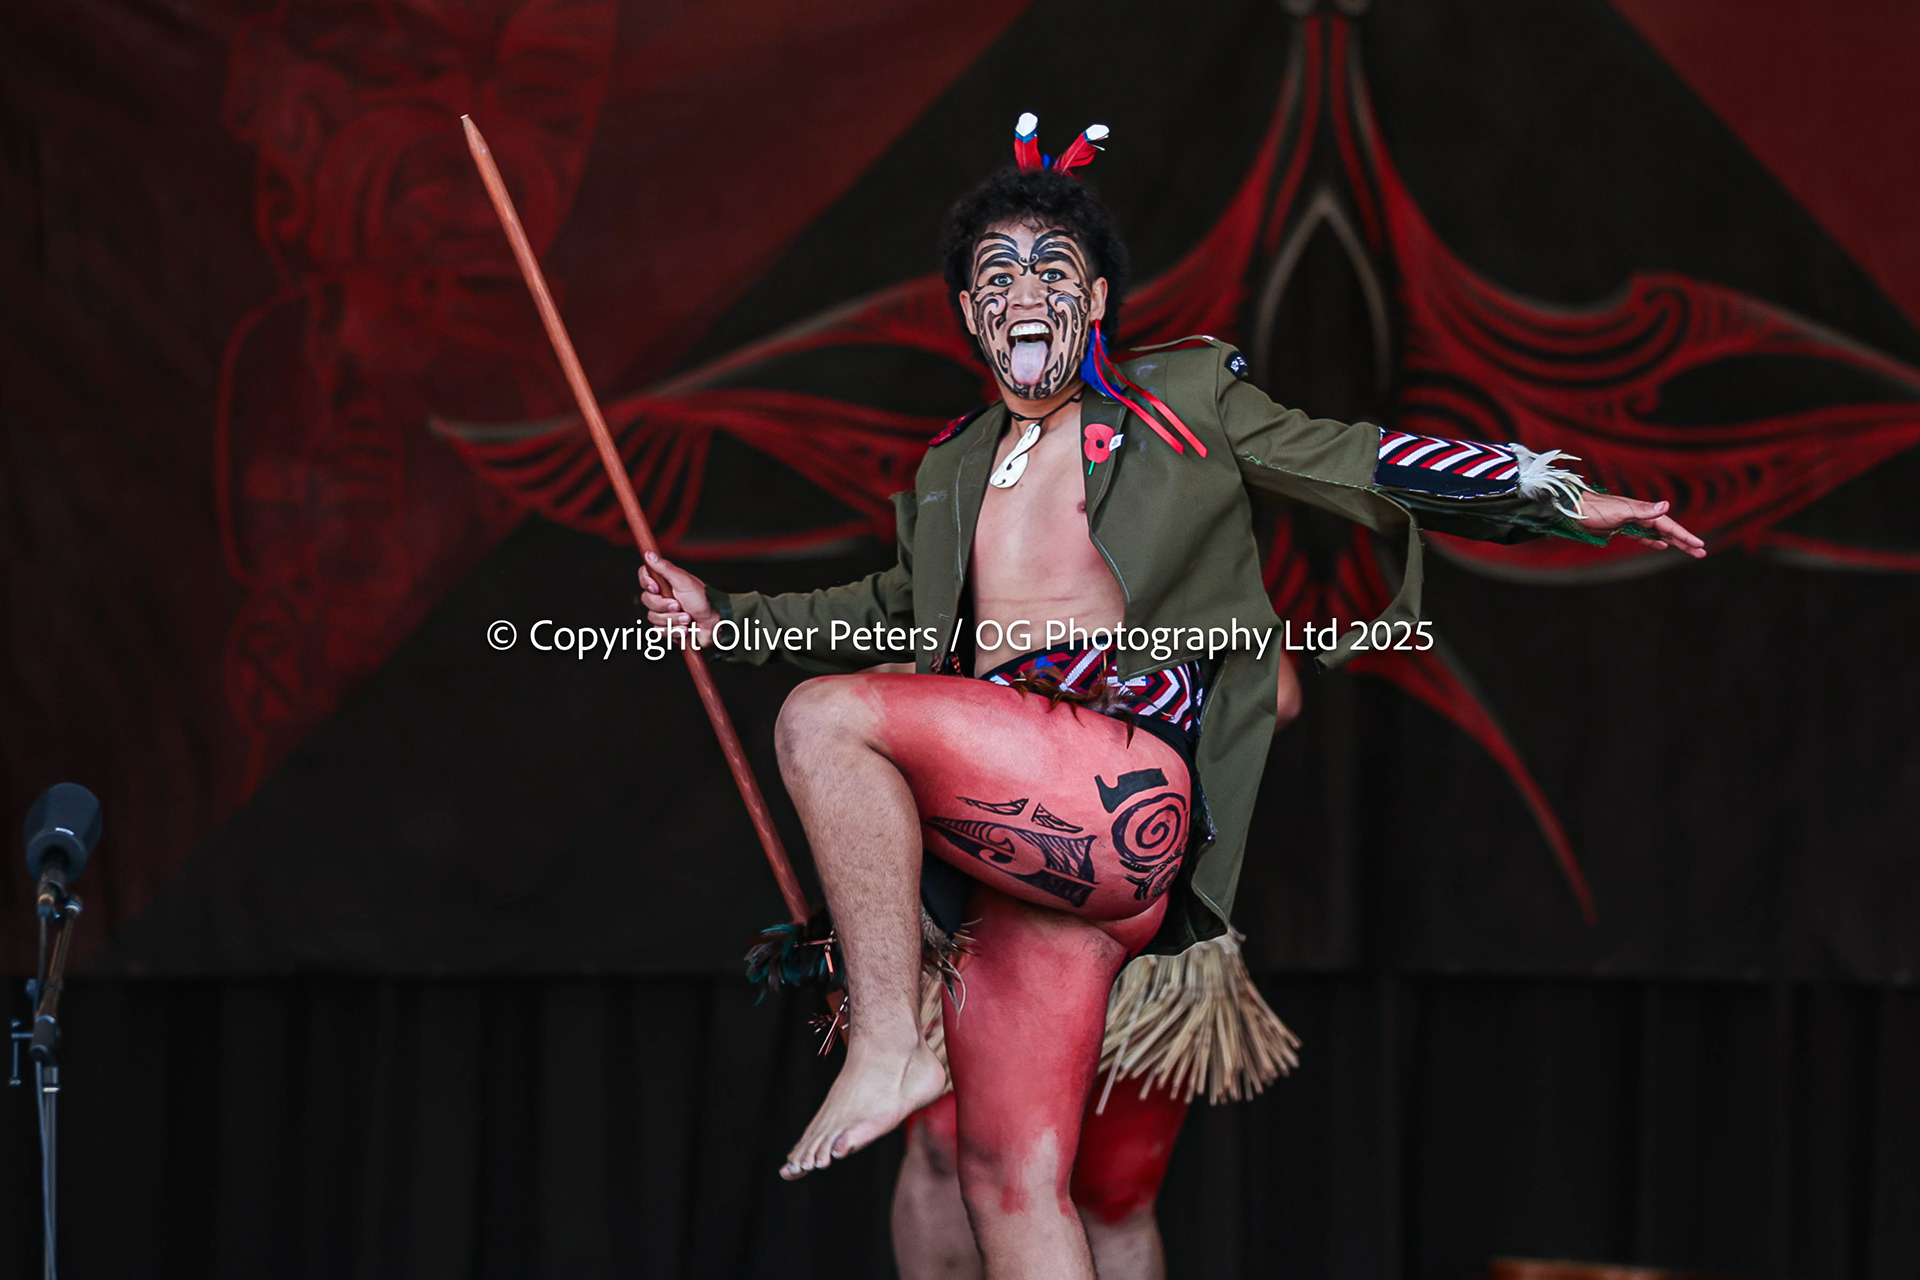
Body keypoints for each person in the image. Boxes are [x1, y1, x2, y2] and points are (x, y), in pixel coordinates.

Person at [640, 117, 1704, 1278]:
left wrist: (1558, 499)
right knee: (1009, 1177)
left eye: (1052, 269)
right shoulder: (952, 464)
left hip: (1116, 784)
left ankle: (891, 1036)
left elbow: (1356, 454)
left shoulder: (1180, 401)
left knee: (824, 717)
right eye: (996, 276)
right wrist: (723, 615)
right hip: (1036, 861)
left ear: (1096, 301)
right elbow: (891, 604)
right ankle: (909, 1041)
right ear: (968, 315)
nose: (1024, 290)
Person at [892, 661, 1304, 1280]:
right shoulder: (969, 598)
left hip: (1142, 921)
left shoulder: (1189, 599)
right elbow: (891, 680)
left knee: (1117, 1186)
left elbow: (1280, 693)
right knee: (948, 1151)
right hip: (982, 899)